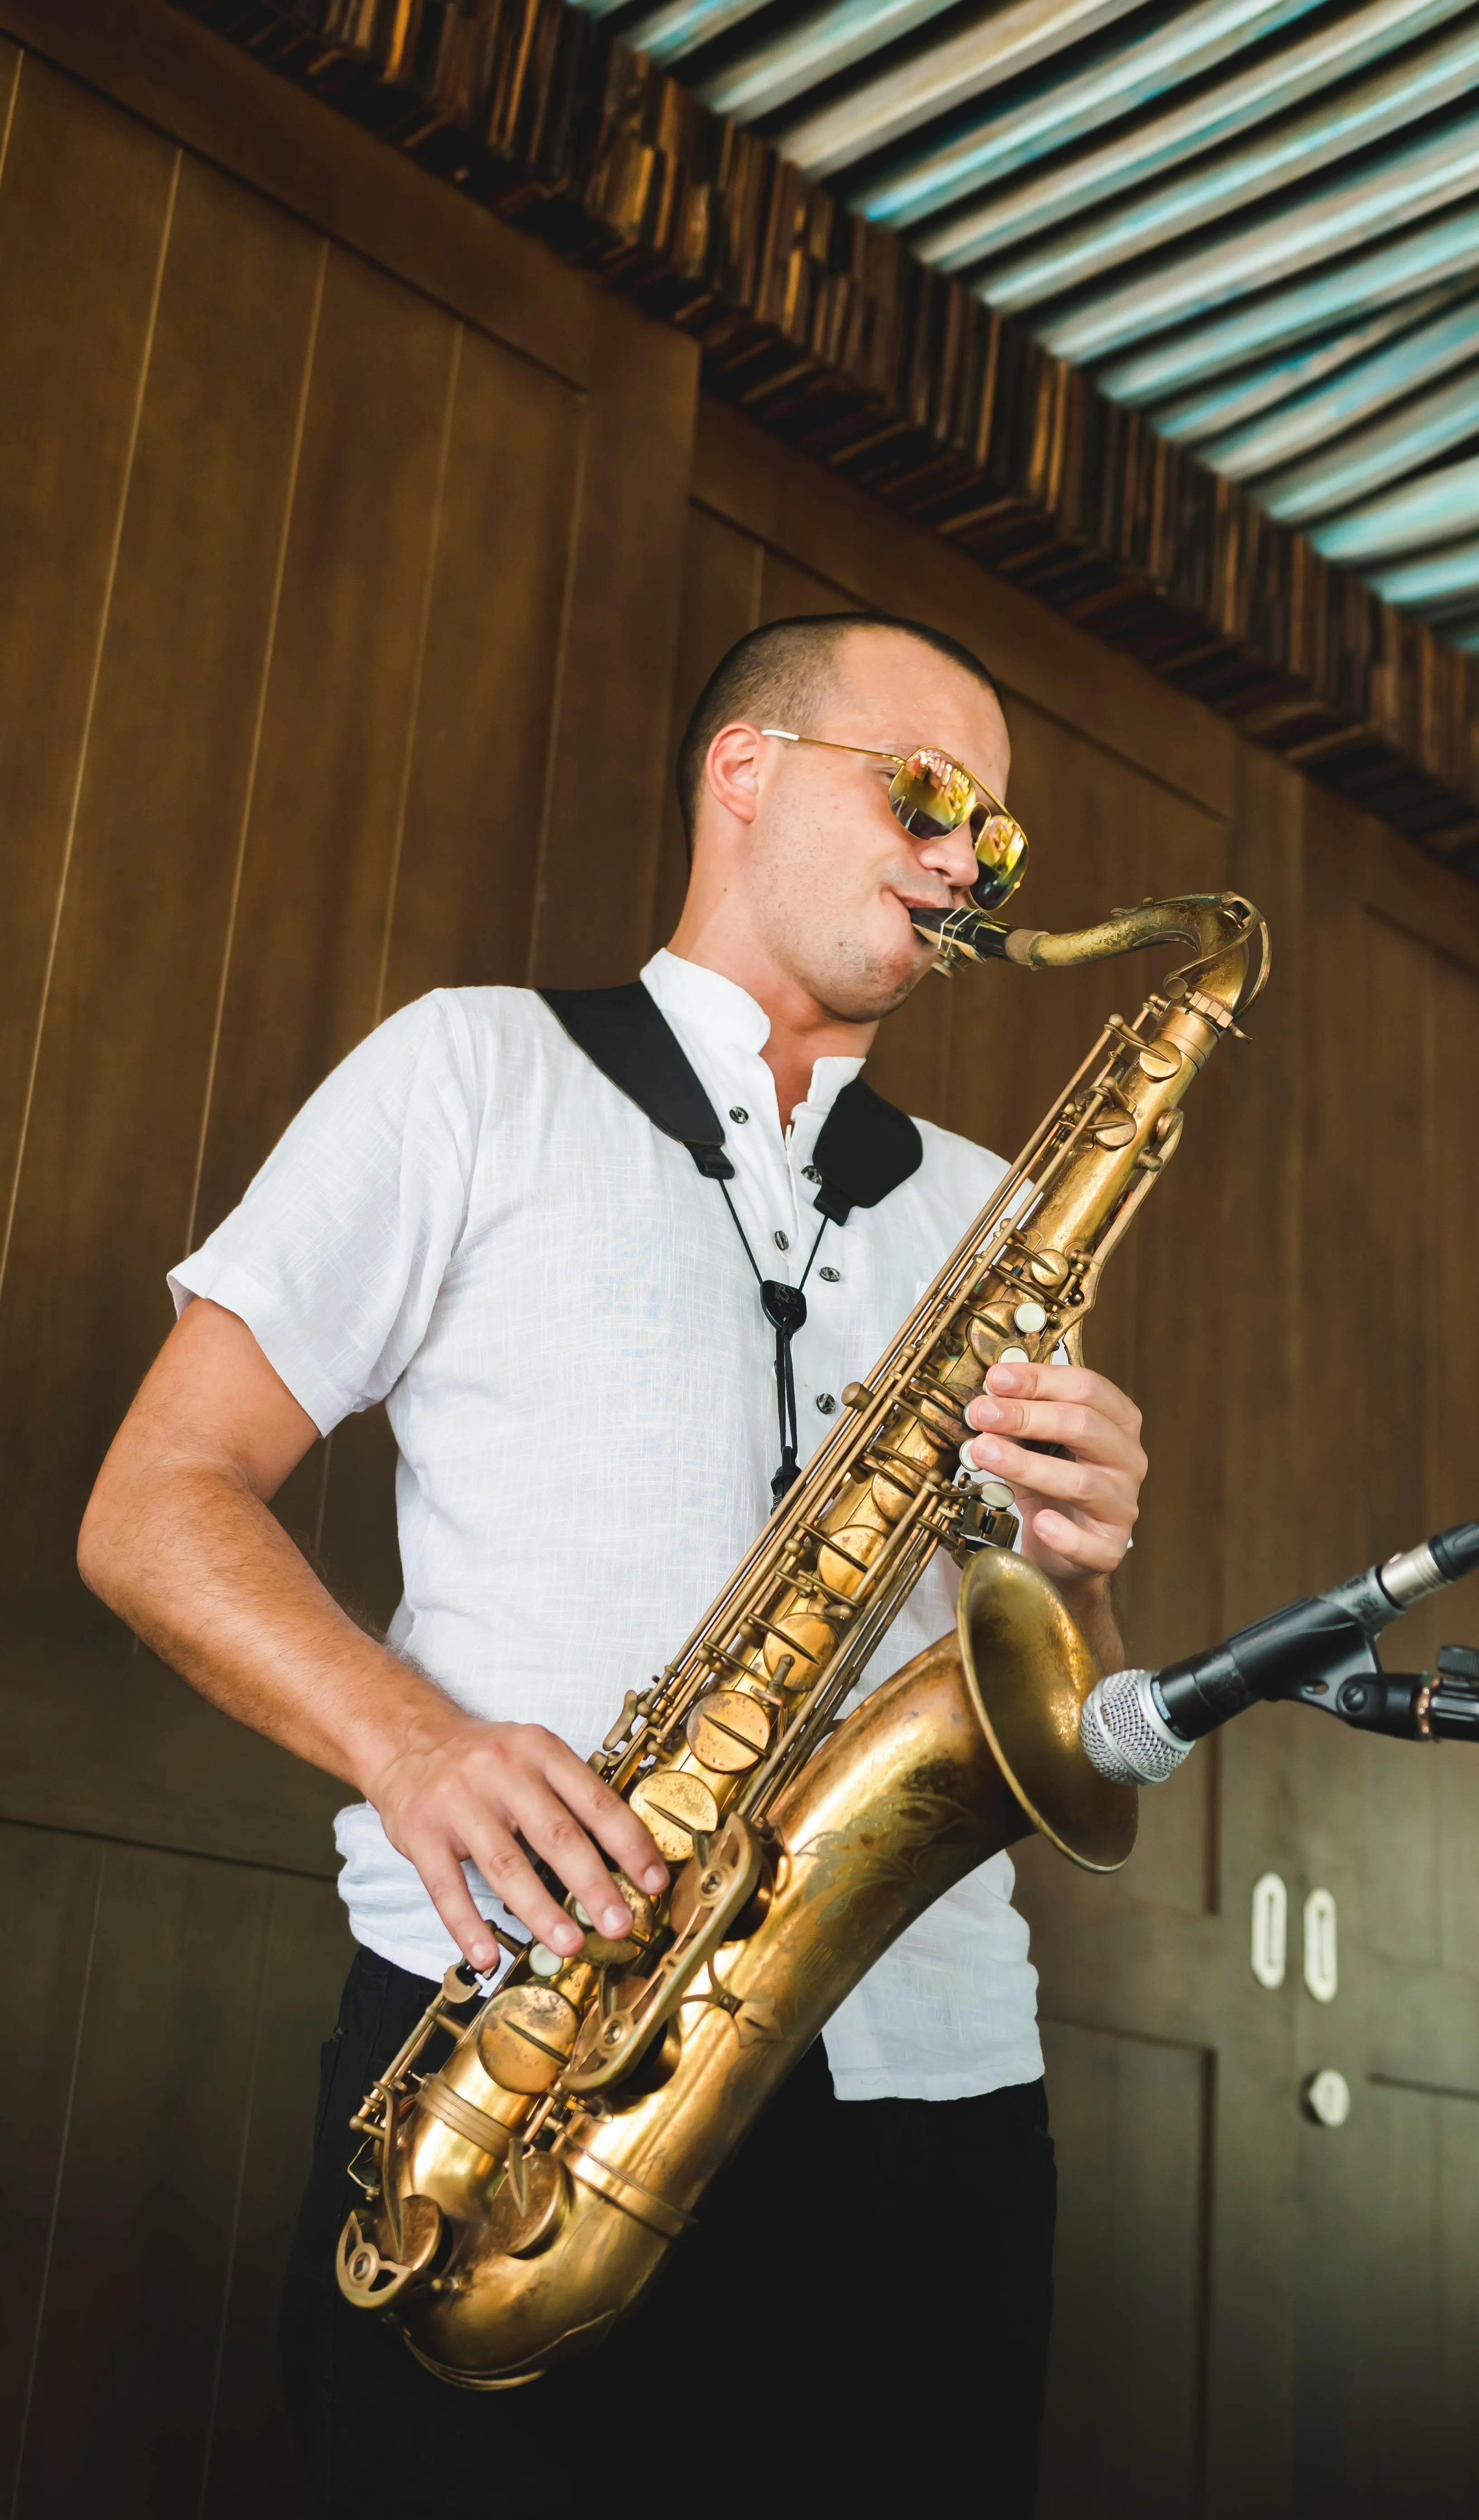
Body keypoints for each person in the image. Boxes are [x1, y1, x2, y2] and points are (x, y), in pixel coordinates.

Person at [79, 614, 1146, 2513]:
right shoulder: (474, 1072)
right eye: (925, 795)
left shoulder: (996, 1208)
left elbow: (1053, 1672)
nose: (964, 861)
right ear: (741, 769)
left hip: (937, 2098)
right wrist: (413, 1749)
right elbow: (156, 1503)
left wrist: (1084, 1558)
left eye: (999, 839)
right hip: (522, 2067)